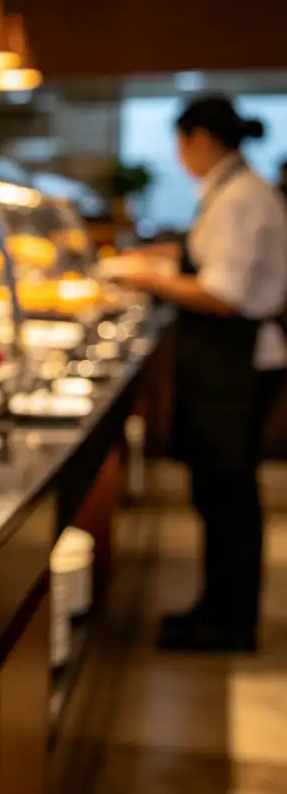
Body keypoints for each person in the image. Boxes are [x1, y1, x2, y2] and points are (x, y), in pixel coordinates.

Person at [117, 95, 287, 653]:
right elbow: (207, 260)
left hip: (234, 362)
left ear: (199, 138)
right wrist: (162, 260)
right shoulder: (233, 191)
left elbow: (223, 292)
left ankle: (230, 623)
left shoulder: (240, 197)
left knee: (228, 493)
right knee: (218, 493)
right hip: (225, 360)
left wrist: (144, 278)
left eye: (180, 141)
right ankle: (218, 609)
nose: (179, 154)